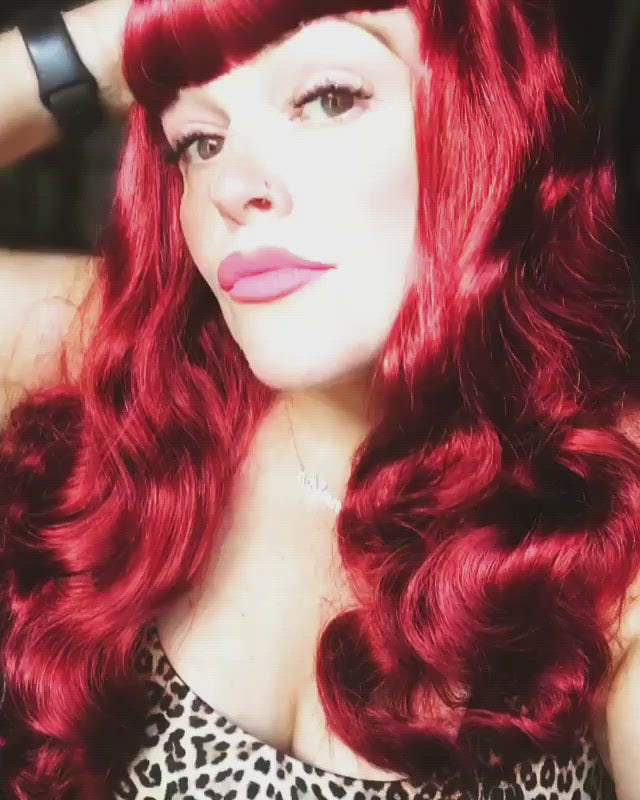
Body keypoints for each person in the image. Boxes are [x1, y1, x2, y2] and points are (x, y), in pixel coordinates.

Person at [1, 0, 640, 798]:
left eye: (327, 98)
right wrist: (115, 38)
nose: (233, 186)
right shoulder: (126, 366)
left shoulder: (610, 515)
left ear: (488, 117)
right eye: (198, 140)